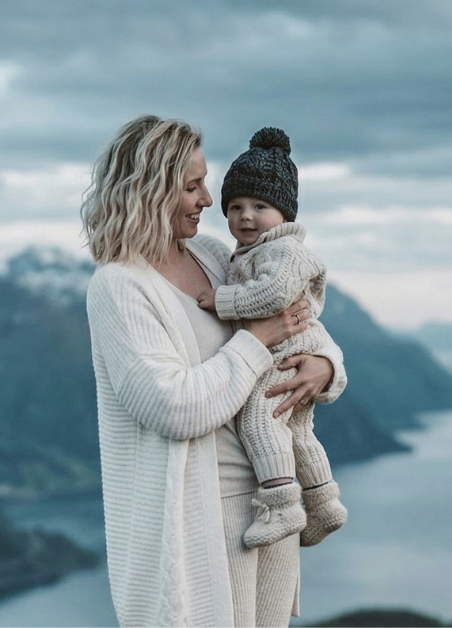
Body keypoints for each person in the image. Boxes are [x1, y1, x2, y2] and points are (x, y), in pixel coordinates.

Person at [81, 115, 347, 627]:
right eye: (192, 186)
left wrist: (325, 365)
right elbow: (174, 408)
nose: (209, 200)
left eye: (206, 183)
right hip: (203, 513)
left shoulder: (213, 256)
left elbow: (297, 320)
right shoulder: (119, 287)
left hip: (273, 499)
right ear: (150, 193)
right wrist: (255, 340)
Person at [196, 127, 347, 550]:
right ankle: (324, 503)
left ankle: (282, 504)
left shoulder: (282, 252)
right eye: (236, 206)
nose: (245, 216)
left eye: (260, 206)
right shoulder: (252, 251)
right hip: (293, 350)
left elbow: (274, 295)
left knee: (260, 420)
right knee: (298, 432)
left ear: (286, 213)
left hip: (284, 353)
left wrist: (222, 300)